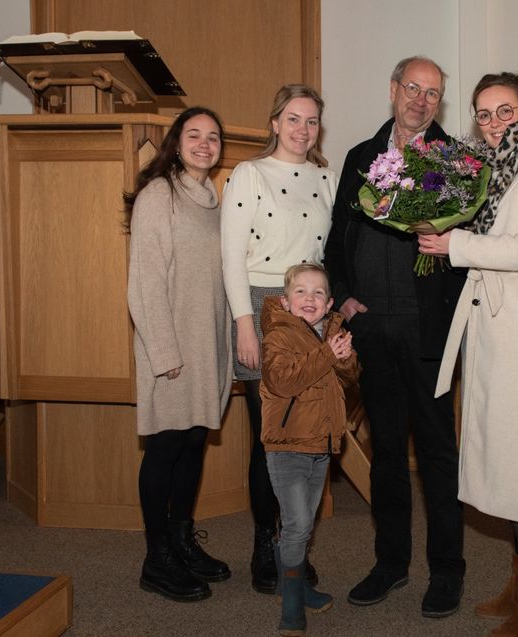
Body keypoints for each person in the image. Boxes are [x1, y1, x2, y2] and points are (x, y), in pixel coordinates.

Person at [417, 72, 518, 636]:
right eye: (483, 114)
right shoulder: (485, 167)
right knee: (501, 452)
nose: (492, 124)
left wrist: (454, 244)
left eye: (504, 112)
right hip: (490, 318)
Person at [324, 55, 466, 618]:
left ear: (440, 102)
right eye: (413, 88)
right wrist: (343, 294)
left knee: (436, 451)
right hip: (373, 327)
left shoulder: (455, 161)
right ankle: (390, 564)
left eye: (432, 93)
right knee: (385, 451)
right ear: (393, 90)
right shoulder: (361, 156)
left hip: (428, 330)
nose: (421, 100)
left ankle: (447, 571)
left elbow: (462, 247)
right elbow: (338, 236)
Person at [220, 84, 338, 594]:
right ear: (274, 123)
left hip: (309, 303)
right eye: (293, 119)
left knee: (307, 434)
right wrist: (245, 322)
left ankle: (295, 542)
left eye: (311, 121)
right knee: (271, 438)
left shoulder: (326, 176)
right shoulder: (249, 173)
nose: (302, 130)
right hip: (264, 305)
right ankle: (265, 546)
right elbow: (230, 255)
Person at [126, 107, 233, 603]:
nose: (204, 144)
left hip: (207, 342)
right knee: (165, 448)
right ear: (176, 141)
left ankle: (182, 540)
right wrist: (163, 352)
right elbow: (144, 281)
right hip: (170, 347)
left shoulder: (215, 199)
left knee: (193, 443)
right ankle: (157, 557)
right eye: (194, 135)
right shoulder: (159, 194)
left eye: (213, 138)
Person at [260, 263, 360, 635]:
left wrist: (346, 357)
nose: (309, 298)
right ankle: (291, 604)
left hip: (322, 444)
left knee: (302, 522)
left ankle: (294, 581)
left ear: (330, 302)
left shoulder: (333, 332)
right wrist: (328, 355)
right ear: (286, 302)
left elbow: (351, 377)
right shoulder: (279, 334)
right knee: (299, 524)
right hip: (286, 446)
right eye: (300, 291)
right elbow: (283, 380)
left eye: (318, 293)